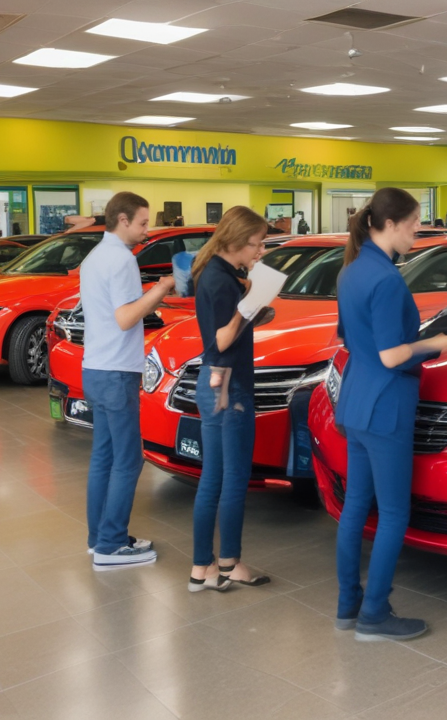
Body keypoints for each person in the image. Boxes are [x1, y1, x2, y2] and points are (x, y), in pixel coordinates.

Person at [333, 188, 447, 641]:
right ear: (389, 225)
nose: (416, 232)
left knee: (354, 509)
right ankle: (375, 614)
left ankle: (349, 604)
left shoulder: (352, 270)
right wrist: (435, 343)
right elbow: (391, 356)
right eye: (413, 225)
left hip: (355, 403)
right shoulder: (386, 279)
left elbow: (350, 337)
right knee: (392, 514)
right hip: (386, 406)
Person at [80, 191, 174, 570]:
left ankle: (98, 537)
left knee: (104, 457)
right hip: (116, 372)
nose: (146, 230)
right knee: (128, 460)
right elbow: (125, 318)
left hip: (95, 369)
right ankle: (112, 545)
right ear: (122, 220)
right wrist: (161, 289)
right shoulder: (120, 260)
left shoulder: (94, 256)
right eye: (142, 222)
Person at [187, 206, 273, 593]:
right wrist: (249, 305)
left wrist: (253, 308)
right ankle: (229, 564)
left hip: (213, 382)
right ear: (237, 241)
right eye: (256, 244)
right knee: (234, 480)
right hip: (228, 386)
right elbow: (222, 339)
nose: (258, 251)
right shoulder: (222, 281)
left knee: (213, 478)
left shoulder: (216, 273)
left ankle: (201, 569)